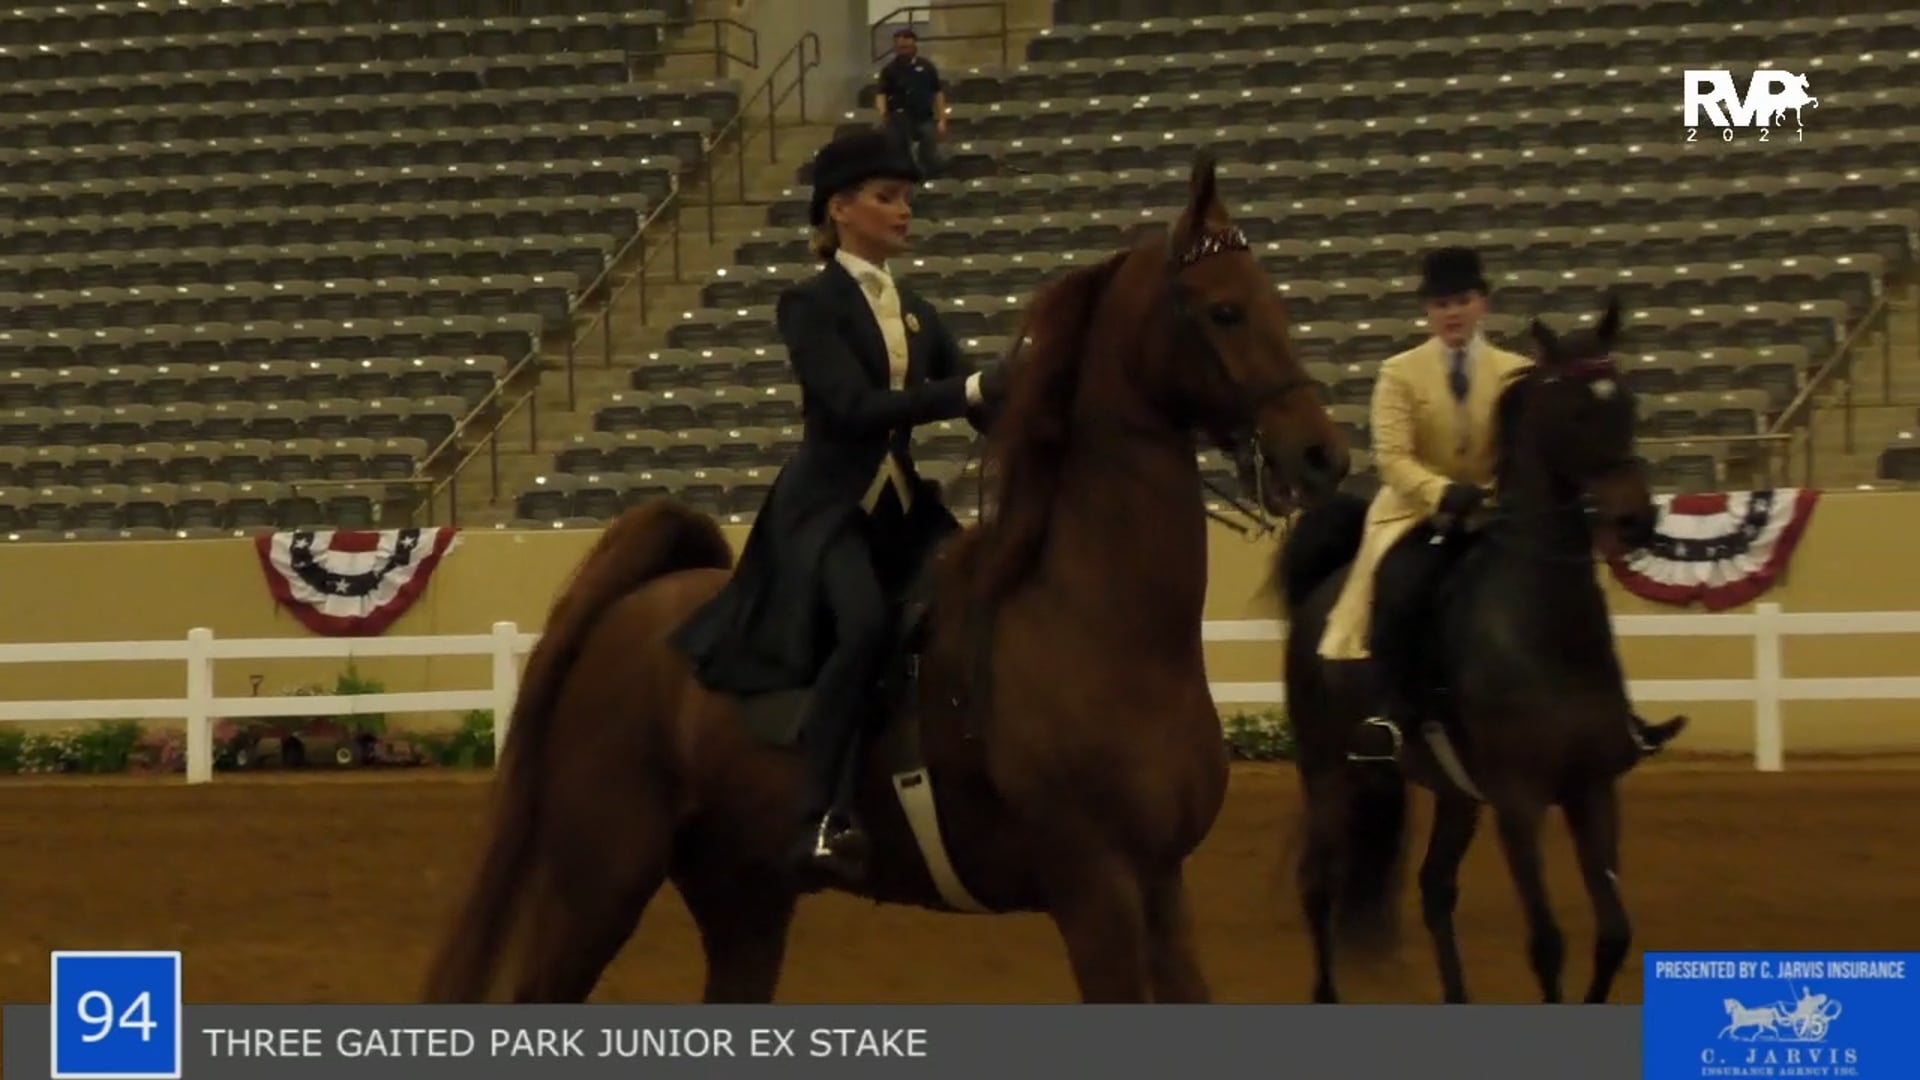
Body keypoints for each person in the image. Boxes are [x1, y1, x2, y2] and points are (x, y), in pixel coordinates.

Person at [670, 129, 1007, 883]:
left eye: (907, 199)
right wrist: (970, 390)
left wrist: (1035, 395)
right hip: (825, 512)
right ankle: (819, 816)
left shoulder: (915, 311)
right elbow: (853, 407)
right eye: (887, 198)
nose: (903, 211)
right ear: (841, 209)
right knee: (863, 626)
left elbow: (977, 398)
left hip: (901, 513)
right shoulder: (809, 304)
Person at [1318, 247, 1683, 762]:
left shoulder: (1517, 372)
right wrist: (1442, 492)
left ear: (1482, 304)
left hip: (1497, 512)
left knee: (1574, 591)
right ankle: (1391, 713)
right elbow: (1392, 459)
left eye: (1461, 300)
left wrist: (1503, 494)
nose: (1452, 312)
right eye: (1441, 303)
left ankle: (1616, 712)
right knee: (1401, 587)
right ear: (1428, 311)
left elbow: (1532, 446)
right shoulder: (1399, 372)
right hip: (1417, 513)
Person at [874, 26, 947, 180]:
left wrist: (942, 119)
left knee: (929, 153)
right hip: (899, 117)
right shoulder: (889, 70)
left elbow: (937, 93)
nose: (903, 50)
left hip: (923, 116)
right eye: (900, 47)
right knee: (899, 153)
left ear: (914, 45)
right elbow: (881, 93)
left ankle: (931, 180)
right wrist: (883, 114)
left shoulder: (927, 67)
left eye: (906, 46)